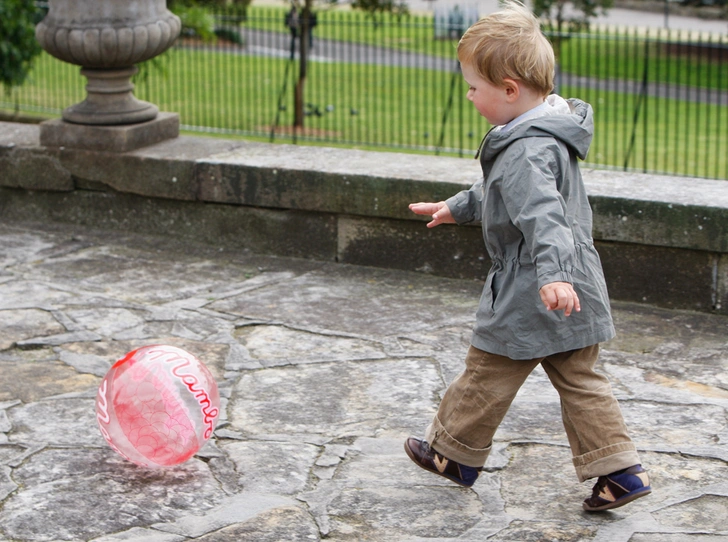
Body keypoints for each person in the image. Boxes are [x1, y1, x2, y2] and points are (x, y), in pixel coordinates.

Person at [405, 1, 651, 512]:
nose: (470, 96)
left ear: (510, 89)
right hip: (573, 281)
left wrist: (552, 276)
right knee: (580, 378)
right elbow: (503, 191)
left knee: (487, 366)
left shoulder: (524, 149)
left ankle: (454, 454)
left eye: (474, 87)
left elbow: (541, 214)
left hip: (534, 283)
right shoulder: (545, 131)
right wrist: (457, 206)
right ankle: (620, 472)